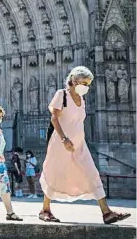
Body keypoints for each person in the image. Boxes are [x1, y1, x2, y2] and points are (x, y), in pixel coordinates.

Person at [39, 66, 131, 224]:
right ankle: (45, 210)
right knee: (55, 173)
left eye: (88, 84)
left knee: (92, 173)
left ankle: (106, 212)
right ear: (74, 80)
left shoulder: (82, 100)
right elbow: (54, 118)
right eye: (84, 83)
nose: (86, 87)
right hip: (61, 143)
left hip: (79, 144)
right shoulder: (62, 95)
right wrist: (64, 139)